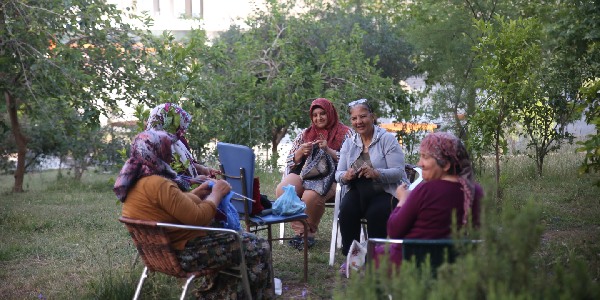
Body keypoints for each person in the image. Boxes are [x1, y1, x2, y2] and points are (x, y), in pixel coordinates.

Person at [114, 130, 274, 299]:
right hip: (185, 254)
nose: (171, 156)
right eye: (168, 150)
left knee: (227, 234)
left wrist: (199, 192)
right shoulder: (158, 183)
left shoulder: (134, 182)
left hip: (161, 253)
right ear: (158, 152)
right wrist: (217, 194)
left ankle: (220, 295)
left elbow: (176, 204)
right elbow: (198, 218)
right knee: (258, 245)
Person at [375, 131, 483, 268]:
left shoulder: (425, 191)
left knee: (376, 252)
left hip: (412, 266)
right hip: (456, 269)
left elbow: (394, 231)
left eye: (425, 157)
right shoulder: (476, 192)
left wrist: (402, 200)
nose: (419, 163)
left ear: (445, 165)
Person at [335, 98, 409, 275]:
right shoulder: (349, 142)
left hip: (384, 191)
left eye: (363, 116)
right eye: (354, 118)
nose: (359, 122)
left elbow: (398, 172)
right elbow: (338, 174)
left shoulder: (387, 139)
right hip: (358, 190)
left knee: (376, 213)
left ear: (372, 116)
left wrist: (377, 173)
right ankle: (352, 260)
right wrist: (346, 175)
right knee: (346, 210)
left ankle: (376, 260)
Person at [275, 98, 351, 250]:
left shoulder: (345, 133)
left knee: (310, 196)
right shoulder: (305, 133)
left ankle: (307, 235)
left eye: (322, 113)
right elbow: (290, 160)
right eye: (315, 115)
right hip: (304, 173)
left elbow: (350, 160)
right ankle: (302, 231)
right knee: (283, 190)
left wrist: (328, 151)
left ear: (330, 113)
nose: (318, 118)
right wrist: (300, 152)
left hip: (329, 176)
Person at [146, 102, 220, 179]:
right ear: (164, 123)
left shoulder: (178, 141)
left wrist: (202, 169)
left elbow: (187, 165)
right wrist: (195, 181)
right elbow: (167, 182)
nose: (182, 132)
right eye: (177, 126)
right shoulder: (151, 150)